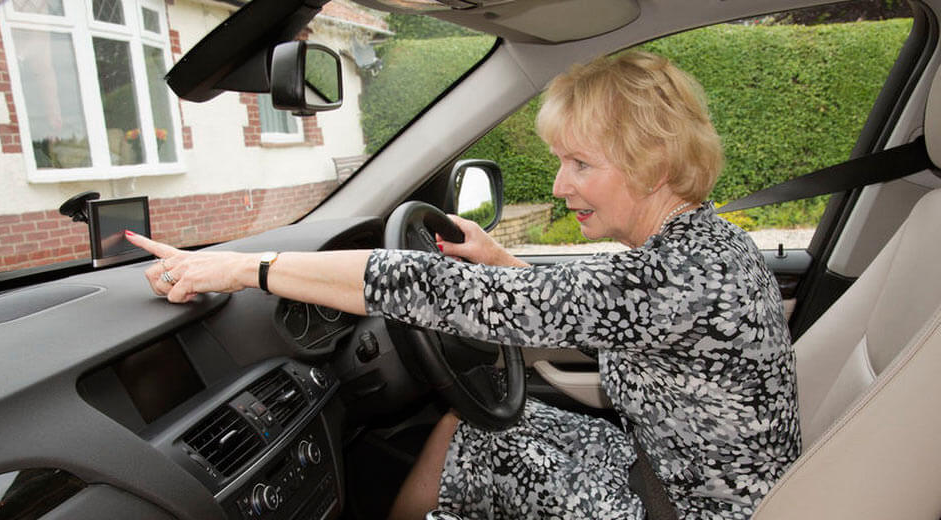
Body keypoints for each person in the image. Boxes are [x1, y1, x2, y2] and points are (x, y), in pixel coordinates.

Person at [126, 50, 801, 520]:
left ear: (652, 165)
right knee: (464, 420)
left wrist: (249, 268)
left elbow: (427, 286)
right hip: (679, 477)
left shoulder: (672, 275)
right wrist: (499, 263)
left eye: (580, 164)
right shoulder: (699, 249)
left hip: (677, 507)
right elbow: (604, 314)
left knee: (472, 438)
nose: (561, 186)